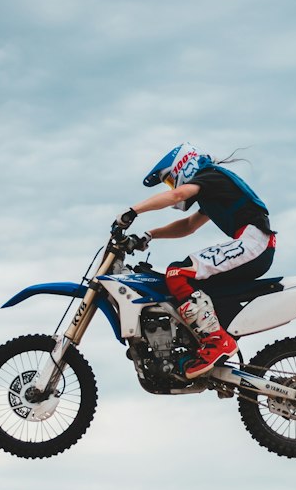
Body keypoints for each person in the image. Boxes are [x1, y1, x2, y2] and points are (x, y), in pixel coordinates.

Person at [114, 144, 276, 378]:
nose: (173, 186)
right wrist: (150, 235)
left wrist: (133, 211)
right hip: (253, 244)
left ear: (183, 166)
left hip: (254, 242)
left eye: (170, 180)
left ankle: (217, 342)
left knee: (177, 273)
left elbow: (178, 195)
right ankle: (205, 346)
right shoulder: (214, 188)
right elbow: (189, 225)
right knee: (196, 286)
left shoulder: (210, 176)